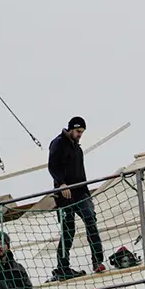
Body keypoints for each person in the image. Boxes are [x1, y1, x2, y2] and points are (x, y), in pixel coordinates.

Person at [47, 116, 104, 278]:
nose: (80, 134)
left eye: (82, 132)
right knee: (68, 230)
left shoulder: (78, 150)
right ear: (71, 129)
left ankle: (97, 261)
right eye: (78, 131)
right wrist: (61, 184)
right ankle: (62, 267)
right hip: (65, 194)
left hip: (80, 193)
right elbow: (52, 166)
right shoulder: (58, 143)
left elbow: (81, 173)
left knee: (90, 220)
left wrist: (87, 194)